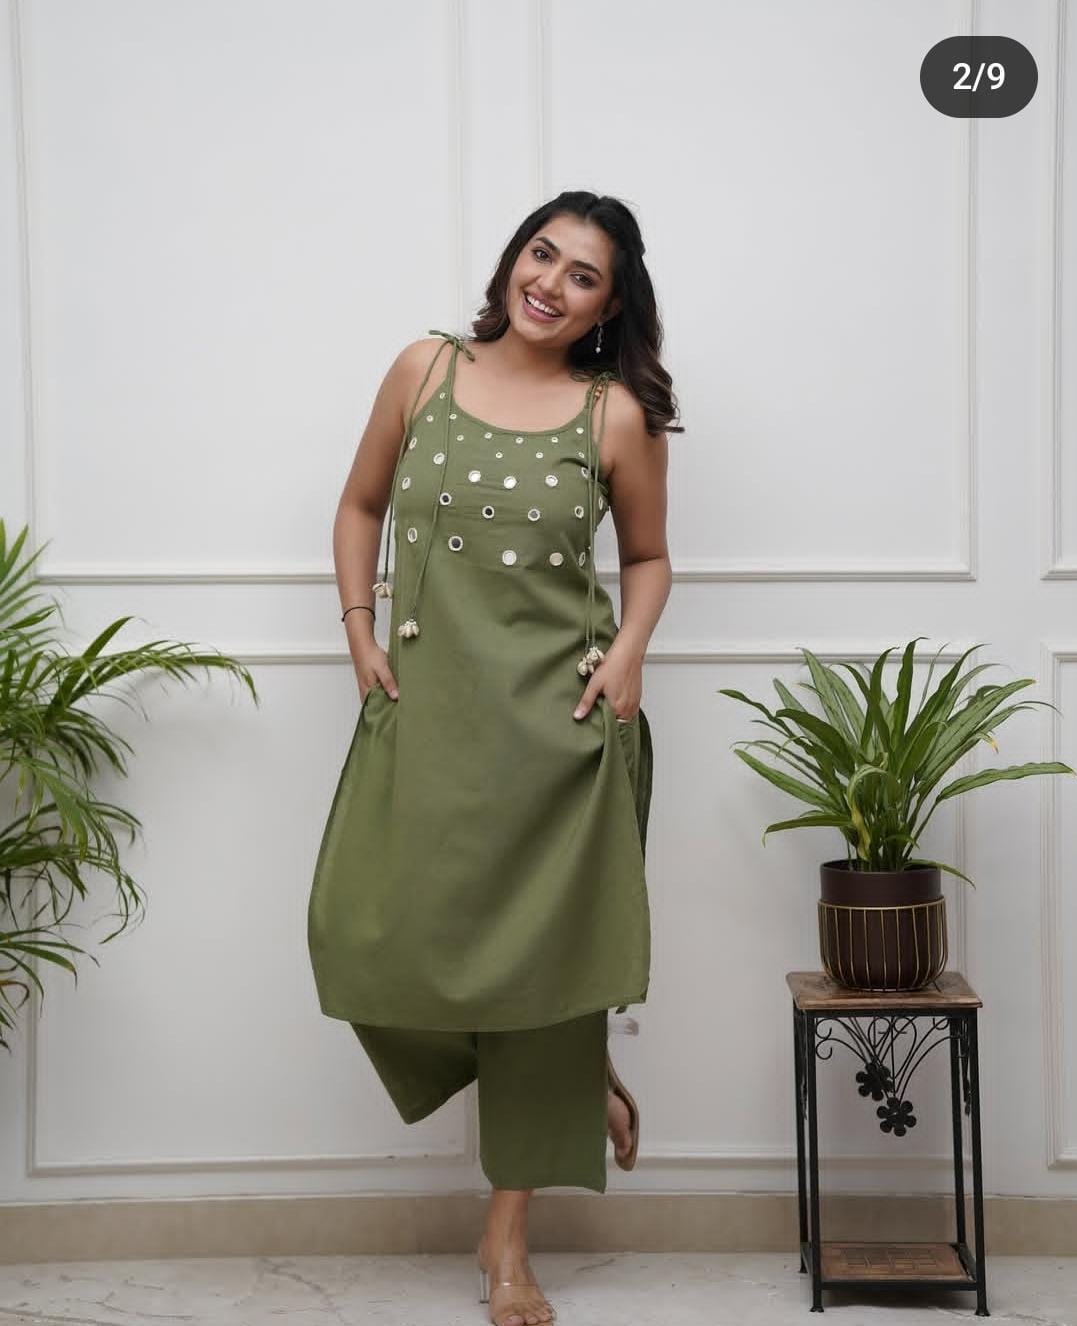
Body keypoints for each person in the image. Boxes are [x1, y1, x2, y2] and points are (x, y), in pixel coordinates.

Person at [307, 190, 678, 1326]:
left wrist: (627, 655)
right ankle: (574, 1065)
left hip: (561, 732)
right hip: (427, 715)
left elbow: (649, 559)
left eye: (583, 276)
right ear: (514, 257)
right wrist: (360, 632)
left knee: (543, 979)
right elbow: (360, 504)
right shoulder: (422, 370)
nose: (550, 284)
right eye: (542, 254)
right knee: (358, 930)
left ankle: (508, 1242)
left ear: (609, 308)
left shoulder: (614, 416)